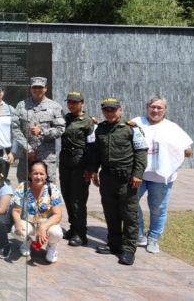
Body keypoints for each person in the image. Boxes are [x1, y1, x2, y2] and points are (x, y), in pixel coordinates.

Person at [85, 97, 148, 266]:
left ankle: (128, 250)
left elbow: (141, 152)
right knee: (111, 212)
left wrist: (138, 174)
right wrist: (93, 171)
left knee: (129, 214)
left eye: (113, 109)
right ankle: (114, 244)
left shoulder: (131, 129)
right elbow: (96, 153)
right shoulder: (100, 129)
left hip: (127, 178)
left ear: (120, 110)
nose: (110, 112)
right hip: (107, 177)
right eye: (106, 110)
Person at [133, 96, 193, 254]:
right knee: (130, 203)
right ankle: (139, 234)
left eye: (160, 108)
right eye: (153, 107)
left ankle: (153, 237)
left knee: (158, 208)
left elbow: (188, 151)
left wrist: (172, 149)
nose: (156, 110)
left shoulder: (172, 128)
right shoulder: (136, 122)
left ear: (165, 110)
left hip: (162, 177)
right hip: (139, 174)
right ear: (147, 107)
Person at [58, 91, 96, 247]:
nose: (72, 105)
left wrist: (90, 168)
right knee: (67, 195)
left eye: (75, 102)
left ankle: (81, 234)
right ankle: (73, 228)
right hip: (65, 161)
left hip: (80, 162)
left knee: (78, 199)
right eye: (69, 102)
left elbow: (93, 146)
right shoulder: (65, 119)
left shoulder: (88, 121)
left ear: (82, 103)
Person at [11, 160, 64, 263]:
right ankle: (26, 240)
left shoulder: (53, 189)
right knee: (16, 231)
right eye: (35, 173)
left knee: (57, 233)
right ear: (30, 174)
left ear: (46, 175)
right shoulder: (23, 187)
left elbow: (58, 215)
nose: (38, 177)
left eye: (41, 174)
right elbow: (16, 210)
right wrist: (18, 224)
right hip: (29, 222)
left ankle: (52, 246)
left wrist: (43, 227)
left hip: (47, 224)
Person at [14, 77, 65, 183]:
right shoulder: (21, 105)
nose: (37, 90)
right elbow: (15, 129)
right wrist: (28, 149)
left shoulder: (55, 106)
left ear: (45, 88)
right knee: (24, 188)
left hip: (46, 157)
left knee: (48, 188)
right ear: (30, 89)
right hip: (26, 157)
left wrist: (42, 131)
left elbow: (60, 129)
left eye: (40, 87)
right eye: (34, 87)